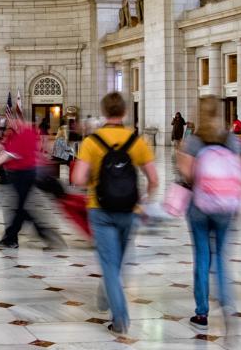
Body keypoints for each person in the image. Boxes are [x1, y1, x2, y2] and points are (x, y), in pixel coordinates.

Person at [72, 91, 158, 335]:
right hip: (129, 209)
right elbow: (153, 179)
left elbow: (78, 178)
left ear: (104, 112)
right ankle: (106, 297)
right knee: (117, 262)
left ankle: (120, 317)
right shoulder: (137, 141)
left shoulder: (92, 142)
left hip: (100, 208)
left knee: (109, 265)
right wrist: (145, 200)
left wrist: (92, 179)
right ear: (125, 112)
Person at [177, 96, 241, 330]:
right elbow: (237, 172)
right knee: (222, 257)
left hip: (199, 206)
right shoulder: (233, 141)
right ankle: (227, 306)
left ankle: (202, 313)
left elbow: (187, 175)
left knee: (203, 256)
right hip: (226, 207)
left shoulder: (193, 141)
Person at [0, 108, 62, 249]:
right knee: (19, 209)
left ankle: (45, 236)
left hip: (23, 175)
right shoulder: (23, 133)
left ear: (18, 119)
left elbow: (11, 154)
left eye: (11, 119)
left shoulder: (25, 133)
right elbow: (7, 150)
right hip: (21, 174)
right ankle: (12, 238)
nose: (9, 122)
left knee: (22, 210)